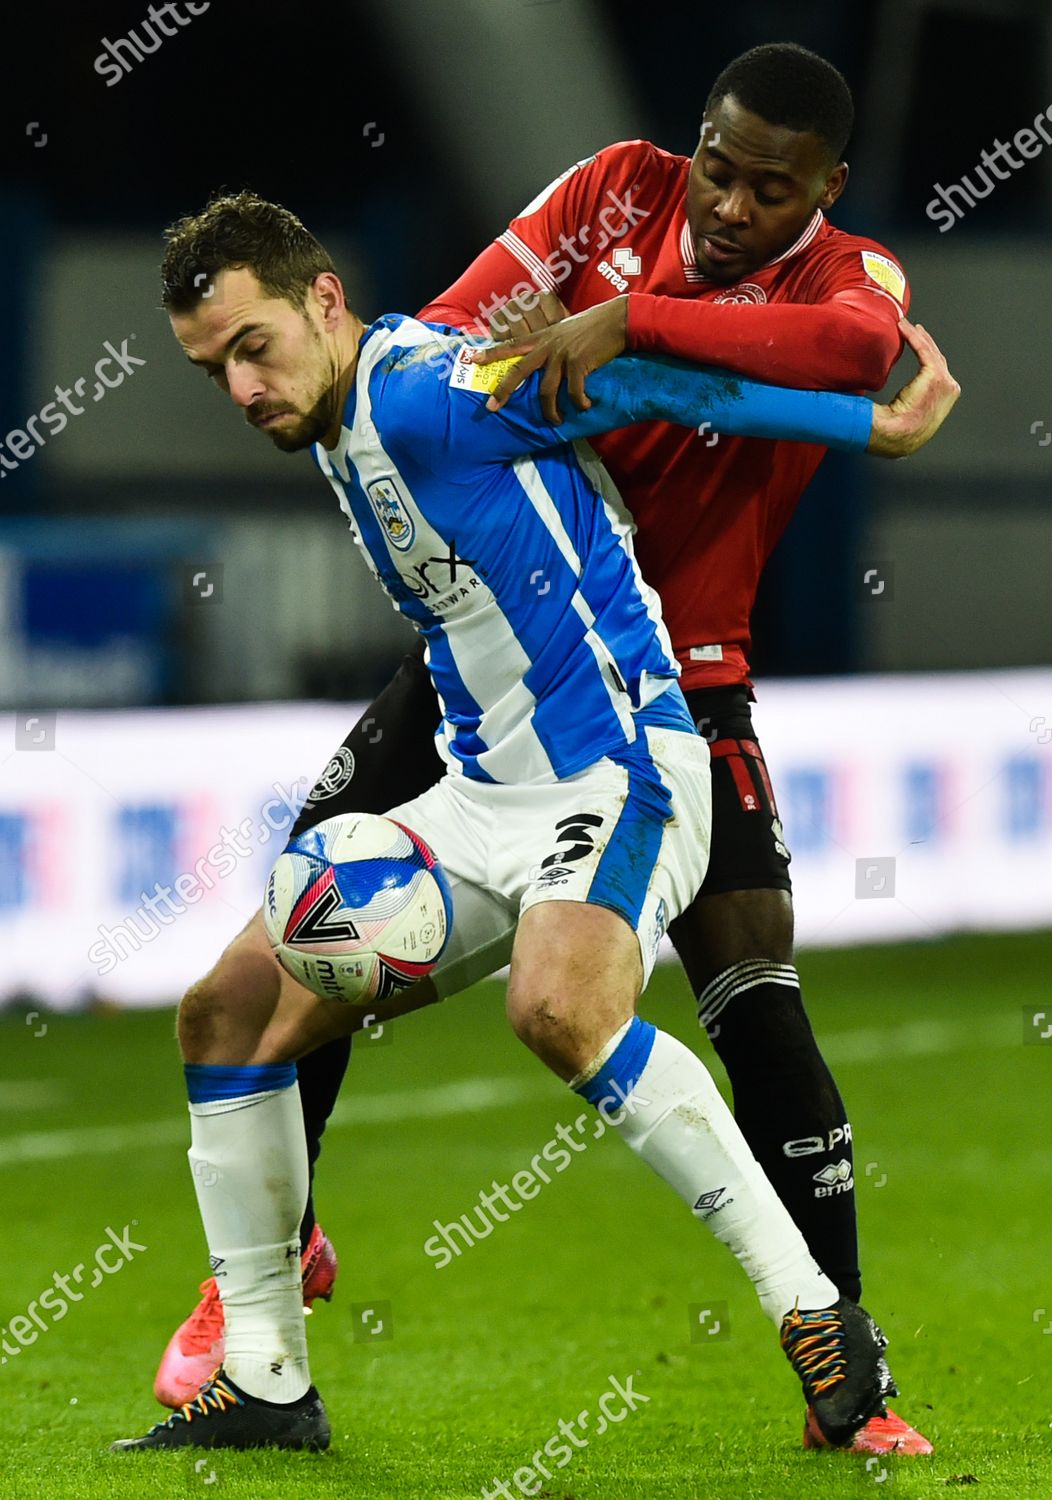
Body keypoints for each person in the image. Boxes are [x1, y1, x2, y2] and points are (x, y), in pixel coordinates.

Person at [153, 43, 958, 1456]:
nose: (239, 388)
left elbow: (638, 388)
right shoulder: (370, 395)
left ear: (324, 305)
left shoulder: (413, 396)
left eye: (255, 349)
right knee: (231, 1002)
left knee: (580, 1007)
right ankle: (263, 1366)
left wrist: (857, 421)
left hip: (633, 750)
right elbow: (492, 333)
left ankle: (820, 1318)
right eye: (214, 367)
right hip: (485, 777)